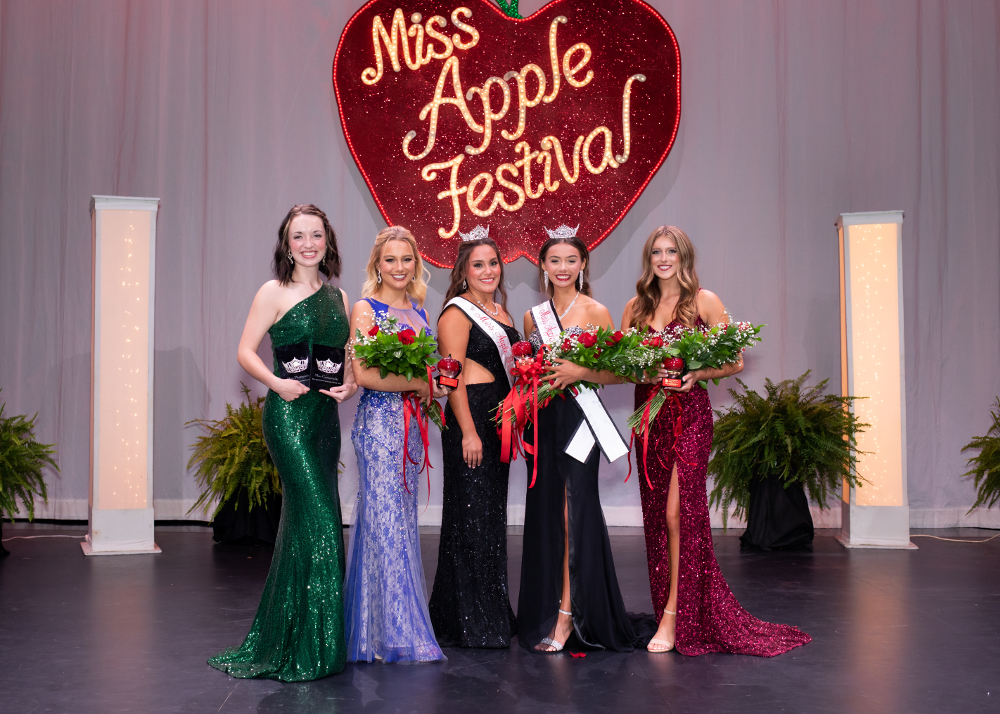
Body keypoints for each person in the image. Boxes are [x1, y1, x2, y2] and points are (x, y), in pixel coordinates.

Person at [622, 225, 812, 656]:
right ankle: (675, 604)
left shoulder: (703, 301)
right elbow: (626, 367)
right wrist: (643, 372)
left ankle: (674, 616)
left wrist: (696, 375)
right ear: (649, 259)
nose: (664, 259)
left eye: (671, 251)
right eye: (656, 252)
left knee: (677, 513)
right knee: (657, 516)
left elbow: (735, 360)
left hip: (689, 415)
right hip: (648, 417)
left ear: (684, 257)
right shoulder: (635, 306)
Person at [209, 204, 356, 681]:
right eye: (299, 236)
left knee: (317, 521)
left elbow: (347, 357)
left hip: (324, 420)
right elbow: (244, 351)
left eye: (316, 234)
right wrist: (276, 383)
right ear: (286, 244)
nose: (308, 243)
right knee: (315, 514)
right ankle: (308, 647)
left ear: (327, 241)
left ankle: (307, 636)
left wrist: (350, 384)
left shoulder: (339, 296)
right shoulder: (272, 292)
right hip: (288, 417)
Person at [518, 227, 654, 653]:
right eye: (554, 260)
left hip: (581, 419)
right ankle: (552, 605)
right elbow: (529, 373)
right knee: (547, 515)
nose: (562, 268)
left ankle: (567, 616)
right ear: (543, 265)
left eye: (570, 260)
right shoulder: (531, 317)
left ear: (582, 265)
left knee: (573, 510)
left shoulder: (596, 311)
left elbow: (621, 372)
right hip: (542, 421)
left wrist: (580, 373)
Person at [344, 225, 449, 663]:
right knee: (383, 523)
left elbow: (435, 375)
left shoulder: (422, 313)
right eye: (391, 260)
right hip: (378, 427)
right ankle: (391, 633)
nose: (399, 267)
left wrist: (436, 385)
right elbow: (366, 375)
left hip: (409, 431)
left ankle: (382, 628)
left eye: (406, 259)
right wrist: (425, 383)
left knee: (399, 524)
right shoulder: (366, 310)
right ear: (377, 265)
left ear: (416, 263)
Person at [428, 227, 520, 648]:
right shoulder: (456, 313)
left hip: (498, 420)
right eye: (478, 264)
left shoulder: (502, 313)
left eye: (493, 263)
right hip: (472, 422)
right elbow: (453, 378)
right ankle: (470, 619)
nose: (488, 270)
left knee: (488, 519)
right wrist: (467, 431)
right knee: (470, 519)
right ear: (463, 271)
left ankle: (488, 611)